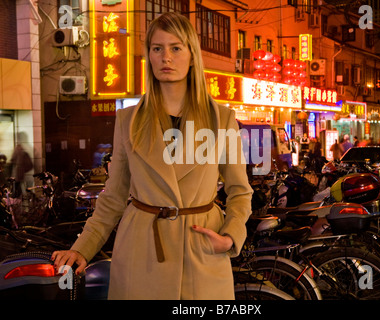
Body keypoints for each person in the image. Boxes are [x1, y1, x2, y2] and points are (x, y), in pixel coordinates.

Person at [51, 12, 252, 300]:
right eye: (157, 49)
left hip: (201, 247)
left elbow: (240, 191)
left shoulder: (221, 119)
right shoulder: (129, 120)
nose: (165, 57)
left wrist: (230, 237)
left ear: (192, 55)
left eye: (175, 48)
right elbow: (114, 196)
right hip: (141, 251)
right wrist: (82, 248)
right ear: (149, 56)